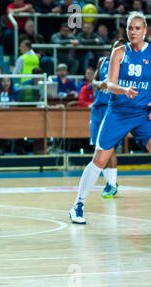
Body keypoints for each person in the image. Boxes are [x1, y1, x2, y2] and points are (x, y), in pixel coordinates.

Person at [69, 12, 151, 224]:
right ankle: (78, 205)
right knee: (99, 160)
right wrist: (125, 90)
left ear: (145, 31)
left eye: (137, 28)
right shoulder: (119, 52)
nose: (133, 32)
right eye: (130, 28)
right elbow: (109, 84)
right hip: (118, 113)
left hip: (143, 114)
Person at [87, 38, 127, 199]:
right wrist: (100, 83)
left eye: (120, 48)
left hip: (113, 108)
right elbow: (94, 82)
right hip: (98, 108)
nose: (117, 50)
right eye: (115, 46)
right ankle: (110, 183)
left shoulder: (126, 66)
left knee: (109, 148)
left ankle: (112, 184)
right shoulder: (102, 61)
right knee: (99, 147)